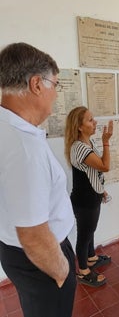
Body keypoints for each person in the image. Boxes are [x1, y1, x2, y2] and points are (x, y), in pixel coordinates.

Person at [0, 42, 76, 317]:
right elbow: (33, 235)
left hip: (17, 253)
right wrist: (62, 271)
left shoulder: (7, 126)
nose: (55, 94)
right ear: (36, 84)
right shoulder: (23, 147)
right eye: (54, 84)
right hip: (41, 260)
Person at [64, 106, 113, 287]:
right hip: (84, 201)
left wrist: (101, 190)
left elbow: (92, 174)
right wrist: (106, 142)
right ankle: (83, 271)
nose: (95, 123)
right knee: (85, 235)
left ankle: (91, 258)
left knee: (90, 230)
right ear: (79, 126)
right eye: (90, 120)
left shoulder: (86, 144)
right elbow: (104, 166)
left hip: (91, 196)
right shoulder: (80, 148)